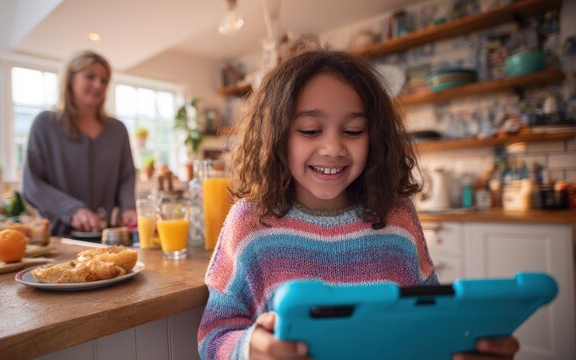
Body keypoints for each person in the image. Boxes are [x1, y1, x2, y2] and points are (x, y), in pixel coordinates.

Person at [197, 50, 519, 359]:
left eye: (353, 130)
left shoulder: (397, 217)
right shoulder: (250, 223)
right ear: (277, 134)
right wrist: (249, 349)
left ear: (373, 136)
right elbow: (215, 336)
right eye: (310, 130)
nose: (334, 147)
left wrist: (463, 346)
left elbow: (427, 320)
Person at [23, 50, 136, 236]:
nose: (98, 85)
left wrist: (128, 207)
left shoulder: (117, 130)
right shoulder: (45, 124)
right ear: (70, 79)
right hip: (58, 239)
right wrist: (72, 210)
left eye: (104, 80)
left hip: (106, 239)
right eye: (90, 76)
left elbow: (126, 177)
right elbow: (32, 185)